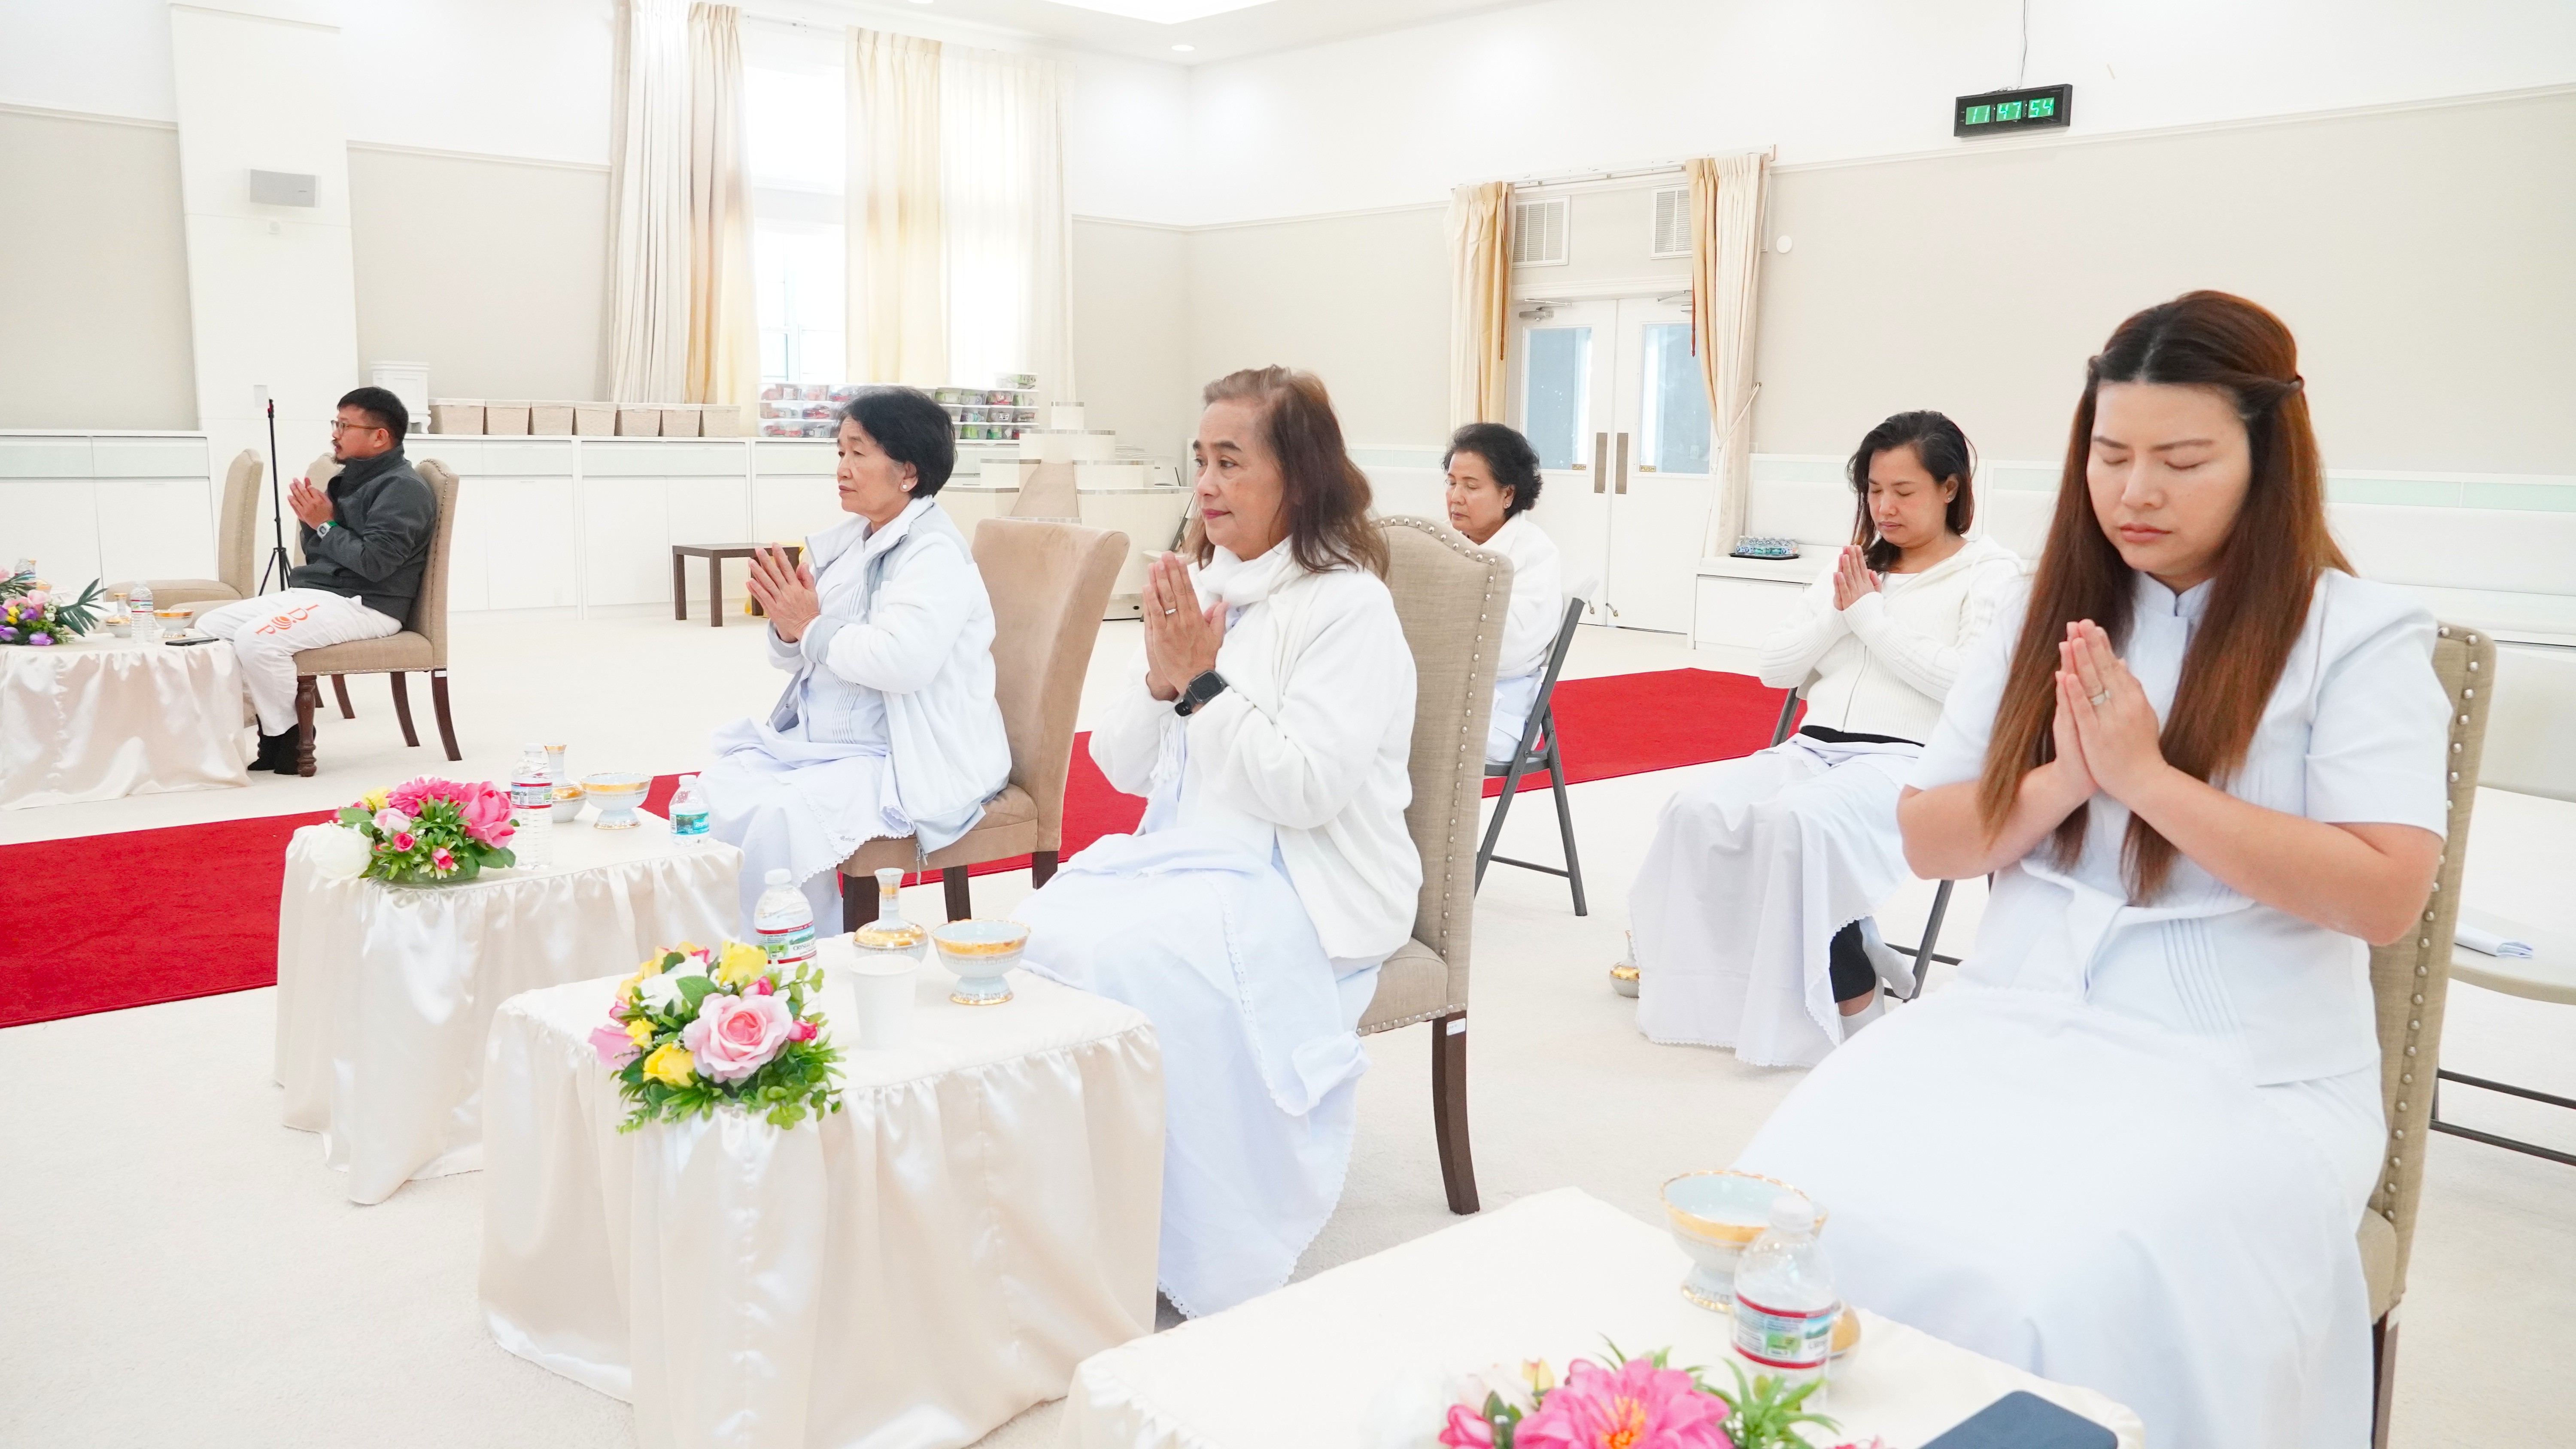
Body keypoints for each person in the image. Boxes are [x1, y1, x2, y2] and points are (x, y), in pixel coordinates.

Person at [1735, 293, 2448, 1449]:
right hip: (2015, 1016)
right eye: (2111, 455)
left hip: (2243, 1066)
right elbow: (1931, 841)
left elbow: (2384, 894)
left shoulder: (2355, 633)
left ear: (2269, 458)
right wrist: (2066, 779)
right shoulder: (2043, 612)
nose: (2136, 492)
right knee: (1793, 1201)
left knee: (2049, 1284)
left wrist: (2150, 780)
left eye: (2183, 461)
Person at [1011, 366, 1419, 1317]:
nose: (1205, 484)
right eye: (1200, 460)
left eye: (1231, 462)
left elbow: (1308, 792)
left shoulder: (1347, 606)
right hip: (1190, 859)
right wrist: (1164, 682)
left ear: (1301, 476)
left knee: (1120, 960)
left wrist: (1202, 685)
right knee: (1041, 934)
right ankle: (1074, 1207)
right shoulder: (1203, 585)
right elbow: (1119, 763)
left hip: (1306, 880)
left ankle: (1171, 1232)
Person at [1628, 411, 2020, 1064]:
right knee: (1695, 810)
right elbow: (1775, 668)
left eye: (1904, 491)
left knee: (1797, 823)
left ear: (1950, 488)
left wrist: (1868, 617)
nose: (1884, 507)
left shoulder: (1990, 571)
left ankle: (1855, 993)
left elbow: (1968, 685)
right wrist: (1842, 614)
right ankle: (1719, 992)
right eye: (1874, 490)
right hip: (1812, 748)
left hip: (1911, 761)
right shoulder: (1853, 567)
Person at [699, 386, 1010, 934]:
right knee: (713, 792)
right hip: (829, 746)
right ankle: (731, 955)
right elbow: (802, 655)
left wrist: (811, 627)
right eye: (840, 452)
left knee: (780, 818)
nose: (842, 468)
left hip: (902, 754)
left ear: (908, 472)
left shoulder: (932, 553)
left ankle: (796, 960)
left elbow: (903, 663)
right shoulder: (850, 544)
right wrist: (789, 628)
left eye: (858, 452)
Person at [198, 387, 437, 774]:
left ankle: (288, 738)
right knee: (211, 627)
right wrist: (315, 524)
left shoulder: (402, 489)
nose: (335, 434)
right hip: (320, 593)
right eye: (336, 424)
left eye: (345, 426)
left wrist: (324, 525)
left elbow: (376, 564)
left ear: (380, 437)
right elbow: (319, 554)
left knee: (257, 641)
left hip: (367, 604)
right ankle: (260, 725)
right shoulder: (349, 479)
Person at [1442, 422, 1563, 764]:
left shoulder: (1535, 554)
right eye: (1451, 483)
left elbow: (1509, 650)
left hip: (1496, 713)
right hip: (1440, 695)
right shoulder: (1439, 541)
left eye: (1471, 486)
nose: (1456, 497)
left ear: (1508, 494)